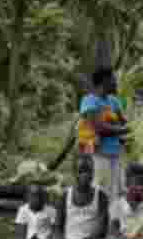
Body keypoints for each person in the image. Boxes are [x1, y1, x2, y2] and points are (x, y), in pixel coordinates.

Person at [49, 68, 131, 203]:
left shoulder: (114, 101)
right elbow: (98, 127)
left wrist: (125, 129)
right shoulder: (89, 101)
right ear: (104, 81)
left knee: (118, 190)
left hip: (115, 152)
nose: (116, 82)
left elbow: (124, 122)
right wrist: (121, 130)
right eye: (113, 80)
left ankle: (113, 220)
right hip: (96, 153)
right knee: (101, 189)